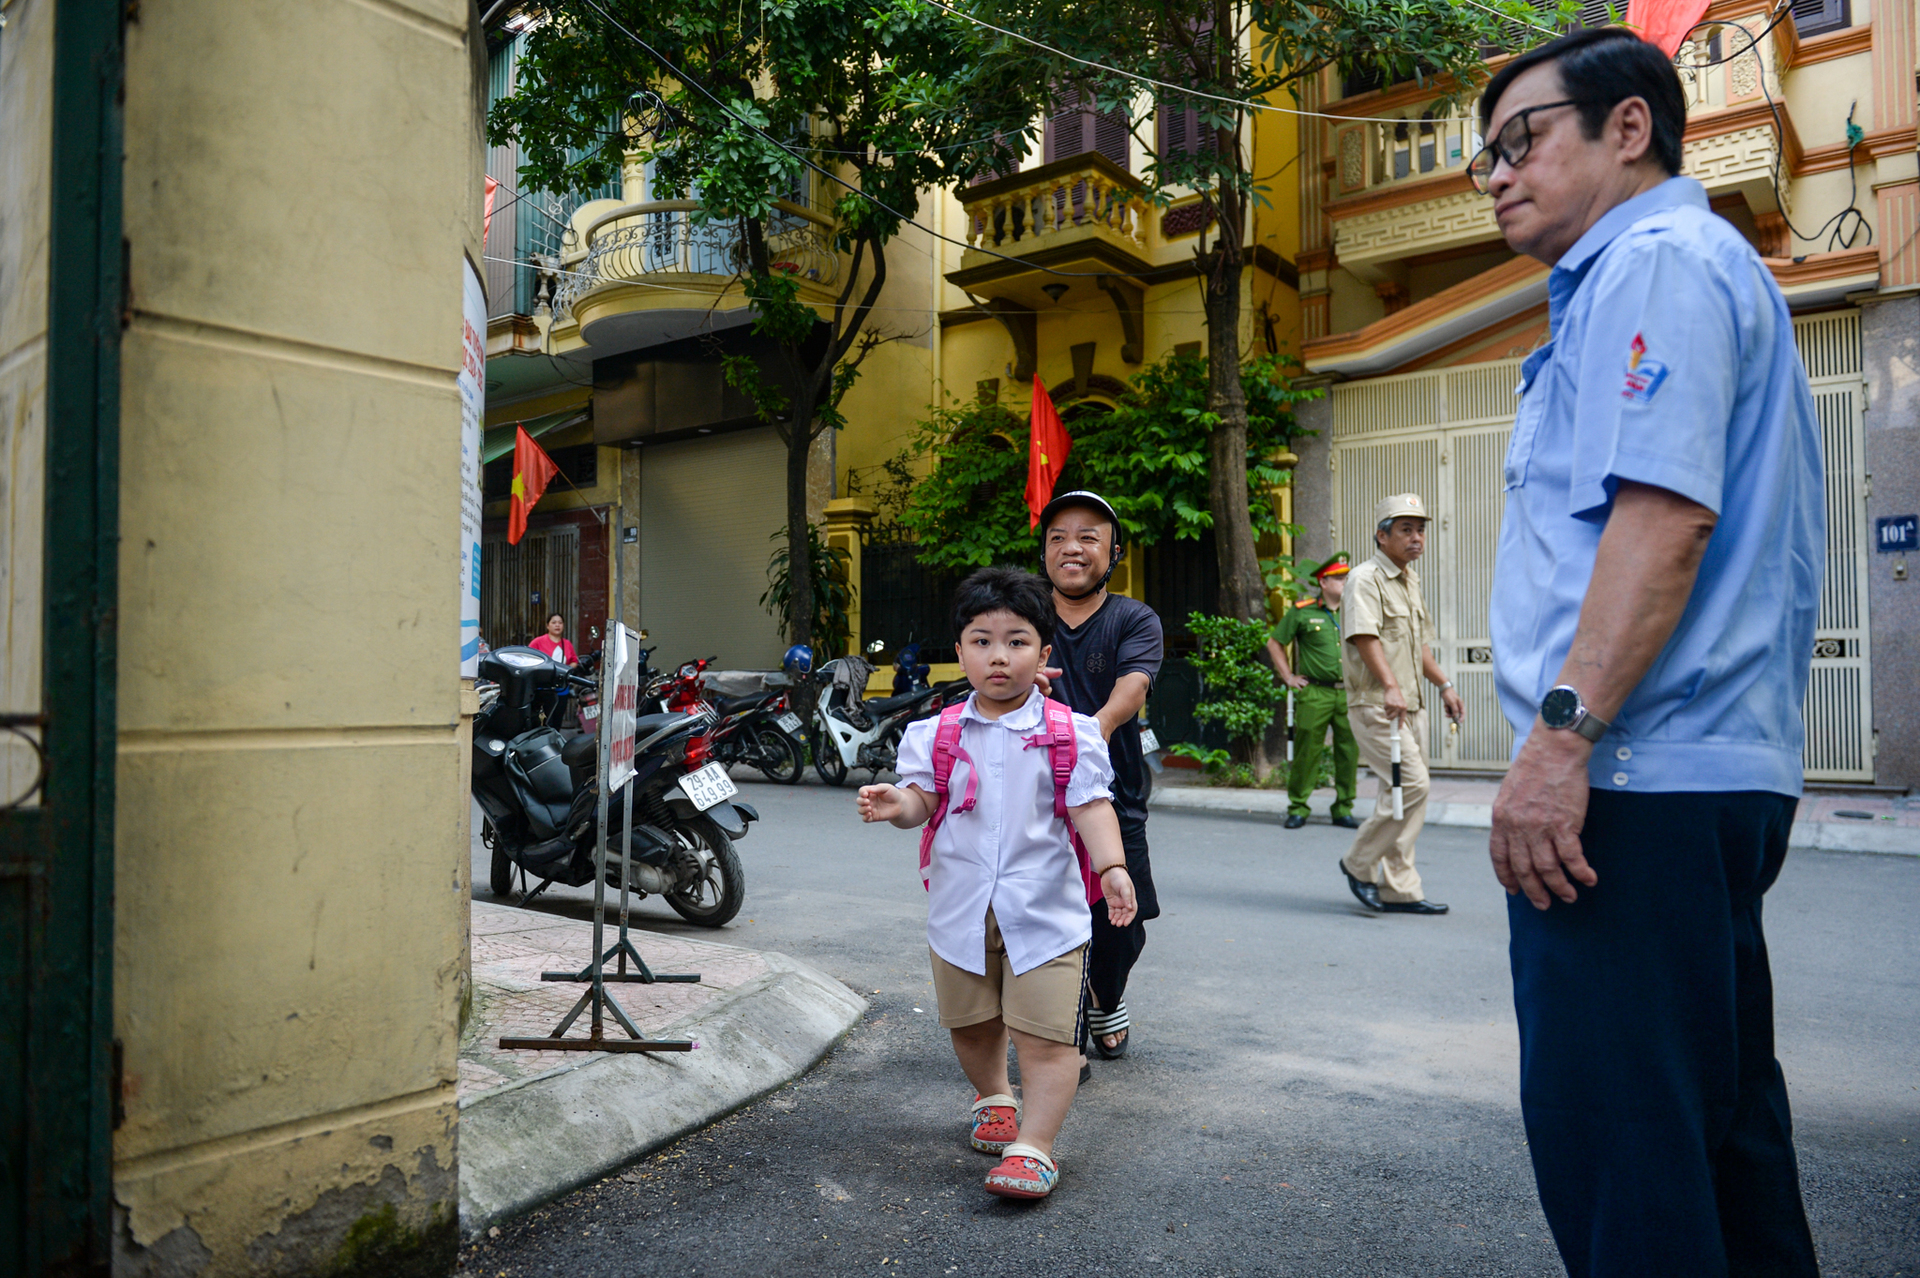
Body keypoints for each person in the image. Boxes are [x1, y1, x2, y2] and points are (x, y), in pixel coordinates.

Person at [1477, 28, 1822, 1276]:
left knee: (1622, 1149)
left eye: (1523, 140)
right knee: (1719, 1139)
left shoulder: (1655, 263)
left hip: (1632, 780)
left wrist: (1560, 741)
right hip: (1687, 778)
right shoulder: (1666, 271)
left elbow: (1663, 519)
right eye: (1486, 159)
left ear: (1629, 127)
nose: (1499, 174)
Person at [856, 567, 1137, 1201]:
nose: (999, 656)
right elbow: (921, 800)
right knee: (974, 1023)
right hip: (960, 910)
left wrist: (1114, 869)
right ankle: (993, 1097)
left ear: (1043, 651)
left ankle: (1034, 1148)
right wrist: (893, 805)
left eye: (1016, 641)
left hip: (1046, 913)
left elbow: (1092, 806)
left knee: (1045, 1035)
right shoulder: (934, 733)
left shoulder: (1074, 732)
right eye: (982, 641)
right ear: (959, 651)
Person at [1036, 491, 1163, 1063]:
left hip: (1114, 793)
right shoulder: (1024, 613)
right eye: (1059, 536)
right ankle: (1062, 1036)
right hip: (1034, 793)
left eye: (1089, 536)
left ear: (1112, 552)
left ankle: (1105, 992)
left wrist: (1095, 729)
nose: (1072, 547)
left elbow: (1132, 686)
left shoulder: (1133, 618)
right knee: (1041, 913)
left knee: (1120, 921)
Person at [1338, 494, 1465, 915]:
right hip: (1377, 703)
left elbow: (1420, 646)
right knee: (1412, 785)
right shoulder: (1365, 578)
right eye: (1406, 529)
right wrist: (1391, 686)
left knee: (1402, 796)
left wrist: (1445, 685)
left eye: (1420, 529)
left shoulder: (1409, 580)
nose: (1416, 538)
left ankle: (1399, 888)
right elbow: (1364, 636)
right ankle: (1358, 863)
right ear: (1382, 534)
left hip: (1410, 705)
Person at [1267, 556, 1359, 831]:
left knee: (1349, 752)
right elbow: (1275, 642)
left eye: (1346, 578)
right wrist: (1288, 677)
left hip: (1349, 693)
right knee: (1307, 751)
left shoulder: (1355, 609)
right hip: (1315, 691)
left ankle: (1343, 808)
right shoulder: (1302, 611)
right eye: (1340, 578)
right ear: (1324, 582)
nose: (1345, 582)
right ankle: (1298, 807)